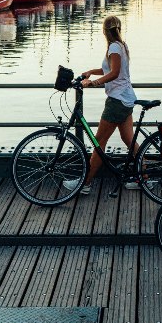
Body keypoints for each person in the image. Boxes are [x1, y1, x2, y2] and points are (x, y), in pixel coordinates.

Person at [63, 15, 138, 195]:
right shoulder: (122, 46)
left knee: (99, 142)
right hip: (125, 99)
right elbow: (110, 69)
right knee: (130, 140)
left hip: (117, 101)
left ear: (104, 31)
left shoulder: (113, 47)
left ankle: (85, 184)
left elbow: (114, 73)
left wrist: (94, 83)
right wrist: (91, 71)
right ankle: (143, 179)